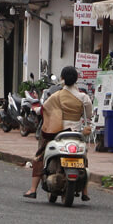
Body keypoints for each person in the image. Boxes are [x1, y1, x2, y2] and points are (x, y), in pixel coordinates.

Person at [23, 65, 93, 199]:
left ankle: (32, 189)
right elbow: (88, 114)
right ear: (76, 79)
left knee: (40, 155)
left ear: (62, 79)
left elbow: (42, 110)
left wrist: (34, 109)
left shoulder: (56, 96)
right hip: (76, 134)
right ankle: (85, 191)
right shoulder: (83, 97)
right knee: (83, 157)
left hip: (57, 133)